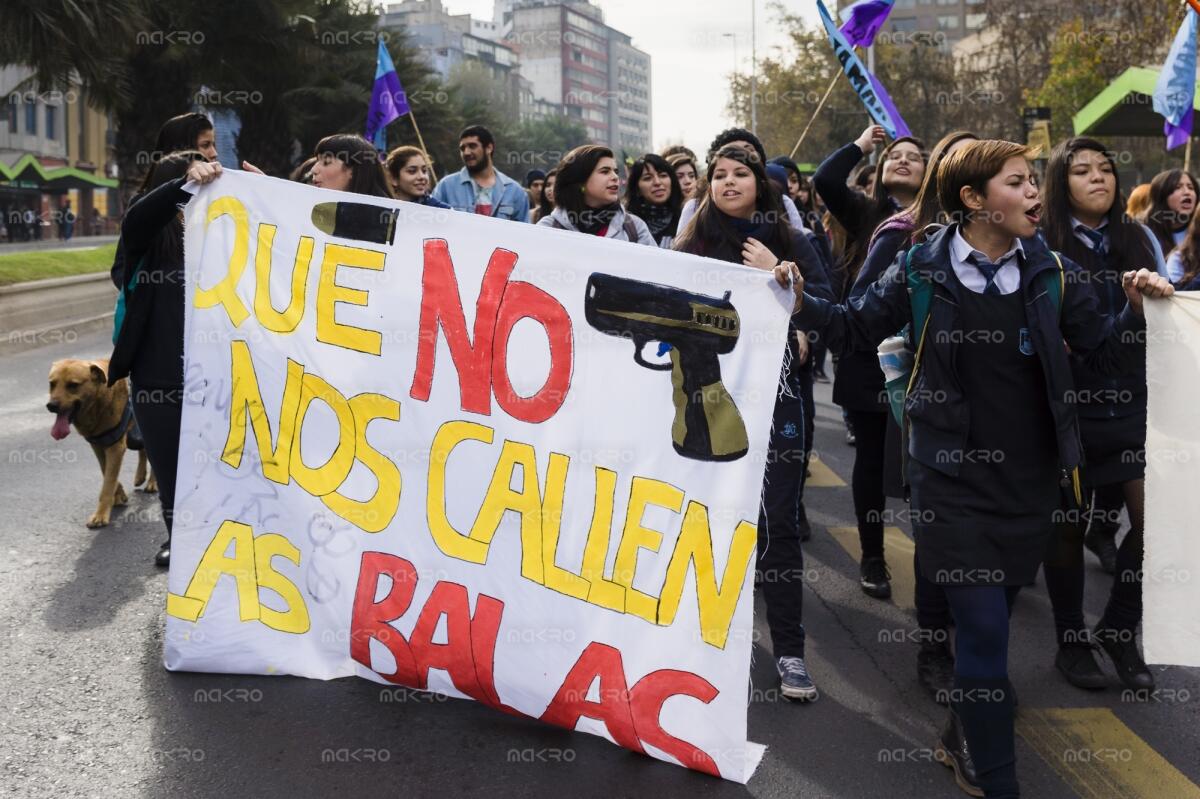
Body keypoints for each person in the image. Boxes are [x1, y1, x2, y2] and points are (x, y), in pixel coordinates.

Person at [794, 139, 1174, 798]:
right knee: (985, 631)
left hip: (1029, 482)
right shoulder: (917, 268)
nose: (1036, 194)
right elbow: (852, 327)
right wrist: (796, 295)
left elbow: (1102, 359)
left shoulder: (1053, 273)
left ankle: (962, 728)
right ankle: (998, 779)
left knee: (989, 619)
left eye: (1034, 182)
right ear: (974, 200)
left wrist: (1136, 315)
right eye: (1019, 183)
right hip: (949, 480)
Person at [675, 144, 834, 701]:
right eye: (717, 174)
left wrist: (789, 291)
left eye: (740, 173)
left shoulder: (791, 243)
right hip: (702, 403)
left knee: (779, 523)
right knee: (705, 519)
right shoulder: (688, 245)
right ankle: (705, 645)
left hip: (777, 403)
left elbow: (829, 310)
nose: (728, 182)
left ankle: (790, 653)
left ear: (761, 186)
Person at [845, 129, 978, 703]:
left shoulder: (1036, 257)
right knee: (935, 524)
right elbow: (859, 313)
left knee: (993, 546)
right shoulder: (912, 244)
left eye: (1027, 181)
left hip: (1003, 429)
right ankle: (936, 645)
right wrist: (801, 302)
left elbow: (1083, 336)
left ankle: (982, 653)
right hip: (919, 402)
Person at [1039, 139, 1162, 698]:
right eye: (1082, 170)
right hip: (1065, 404)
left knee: (1155, 521)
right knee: (1067, 521)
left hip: (1133, 398)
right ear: (1060, 183)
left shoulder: (1140, 239)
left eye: (1106, 170)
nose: (1098, 179)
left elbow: (1166, 314)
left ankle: (1119, 627)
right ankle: (1071, 639)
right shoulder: (1041, 243)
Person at [813, 125, 926, 601]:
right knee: (874, 457)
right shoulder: (867, 213)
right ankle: (874, 555)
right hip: (868, 354)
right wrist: (860, 144)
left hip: (927, 357)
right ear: (879, 170)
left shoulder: (939, 221)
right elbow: (826, 180)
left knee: (925, 461)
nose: (902, 160)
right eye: (893, 155)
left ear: (931, 172)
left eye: (914, 157)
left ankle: (944, 559)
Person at [108, 151, 217, 567]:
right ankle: (179, 540)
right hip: (158, 378)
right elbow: (137, 219)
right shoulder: (148, 238)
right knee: (172, 471)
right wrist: (182, 185)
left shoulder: (222, 233)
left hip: (219, 379)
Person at [677, 129, 810, 233]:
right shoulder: (694, 209)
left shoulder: (784, 204)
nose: (740, 156)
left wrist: (774, 265)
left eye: (748, 150)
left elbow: (804, 263)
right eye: (731, 151)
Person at [536, 145, 655, 245]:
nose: (615, 177)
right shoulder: (548, 227)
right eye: (605, 171)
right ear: (580, 180)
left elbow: (654, 269)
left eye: (616, 171)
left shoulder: (633, 227)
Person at [432, 125, 529, 221]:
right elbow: (432, 224)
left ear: (489, 148)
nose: (466, 152)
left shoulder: (515, 191)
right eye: (462, 148)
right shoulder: (446, 187)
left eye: (472, 146)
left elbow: (524, 232)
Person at [625, 153, 684, 248]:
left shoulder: (686, 220)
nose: (657, 182)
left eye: (663, 175)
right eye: (647, 178)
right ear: (637, 189)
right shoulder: (626, 224)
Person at [309, 134, 393, 197]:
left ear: (353, 171)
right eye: (317, 161)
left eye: (326, 162)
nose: (313, 169)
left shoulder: (389, 217)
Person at [1144, 168, 1196, 270]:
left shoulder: (1197, 232)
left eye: (1191, 187)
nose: (1187, 192)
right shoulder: (1145, 235)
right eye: (1178, 187)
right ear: (1161, 195)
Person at [385, 146, 450, 207]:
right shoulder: (382, 207)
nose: (422, 177)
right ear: (393, 178)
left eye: (424, 171)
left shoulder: (443, 211)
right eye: (412, 171)